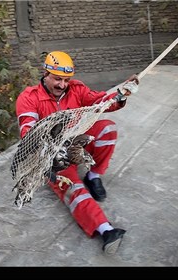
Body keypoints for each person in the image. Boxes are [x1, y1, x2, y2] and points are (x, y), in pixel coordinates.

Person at [15, 51, 139, 255]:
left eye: (66, 80)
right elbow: (28, 131)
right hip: (50, 156)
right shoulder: (29, 98)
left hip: (75, 142)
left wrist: (121, 94)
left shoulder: (76, 89)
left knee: (107, 128)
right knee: (73, 190)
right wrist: (49, 152)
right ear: (45, 73)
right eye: (57, 79)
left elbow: (101, 101)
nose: (62, 85)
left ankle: (94, 176)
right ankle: (106, 230)